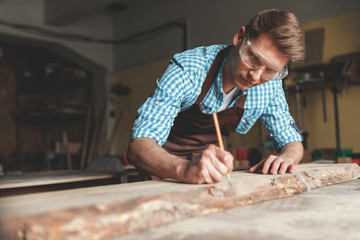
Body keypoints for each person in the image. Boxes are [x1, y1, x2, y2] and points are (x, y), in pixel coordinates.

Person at [127, 9, 305, 184]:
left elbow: (292, 141)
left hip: (214, 176)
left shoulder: (270, 85)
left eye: (270, 70)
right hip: (164, 175)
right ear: (240, 37)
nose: (256, 76)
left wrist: (287, 158)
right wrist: (185, 169)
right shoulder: (189, 69)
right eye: (254, 59)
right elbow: (138, 146)